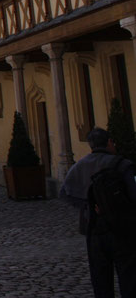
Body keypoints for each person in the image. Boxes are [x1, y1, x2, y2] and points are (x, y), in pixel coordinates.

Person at [60, 127, 136, 298]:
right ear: (109, 142)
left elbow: (65, 193)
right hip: (122, 228)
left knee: (101, 278)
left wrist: (89, 204)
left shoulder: (79, 166)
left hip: (95, 229)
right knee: (129, 276)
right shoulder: (123, 165)